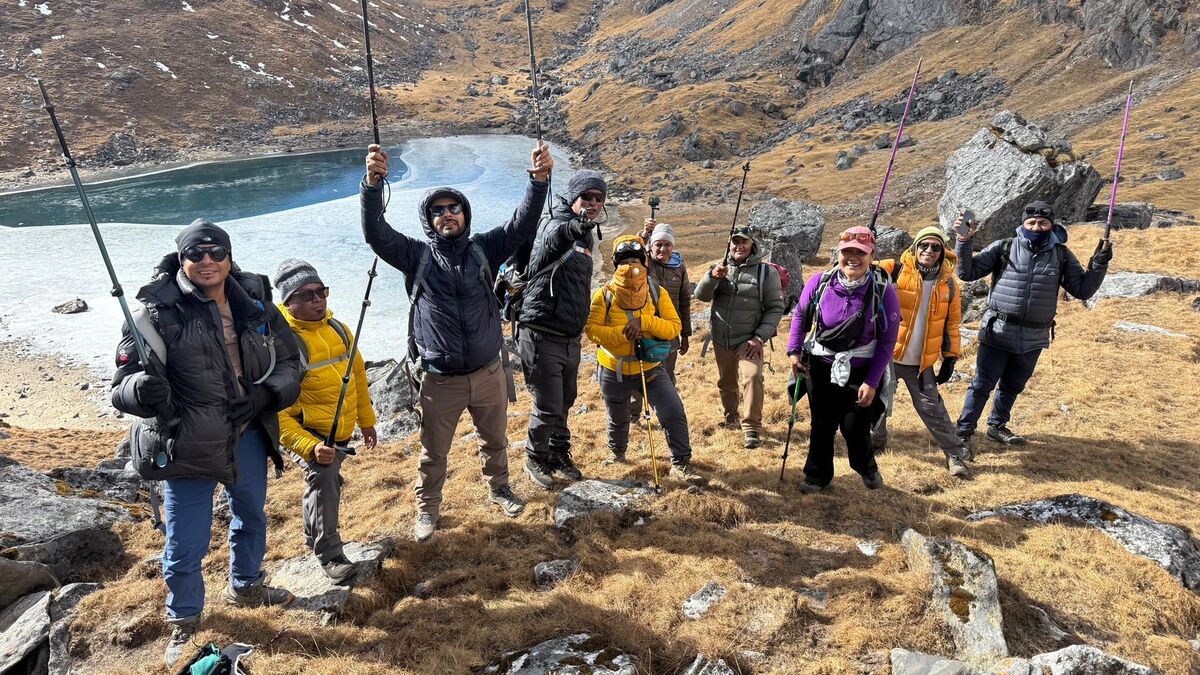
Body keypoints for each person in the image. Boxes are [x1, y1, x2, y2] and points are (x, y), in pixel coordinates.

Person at [110, 220, 302, 666]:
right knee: (185, 539)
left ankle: (247, 584)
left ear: (230, 258)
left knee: (252, 513)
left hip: (248, 430)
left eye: (216, 252)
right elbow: (120, 383)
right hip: (186, 441)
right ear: (183, 260)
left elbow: (292, 362)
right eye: (196, 253)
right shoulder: (155, 313)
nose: (207, 261)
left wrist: (267, 393)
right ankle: (185, 622)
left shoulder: (258, 306)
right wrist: (140, 390)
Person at [361, 142, 553, 542]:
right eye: (438, 210)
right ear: (429, 220)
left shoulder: (485, 249)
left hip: (488, 373)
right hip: (440, 381)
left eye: (453, 208)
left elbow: (522, 225)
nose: (447, 215)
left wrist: (537, 182)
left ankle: (500, 488)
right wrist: (373, 183)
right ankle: (427, 508)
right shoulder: (416, 256)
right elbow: (376, 234)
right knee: (433, 454)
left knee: (496, 440)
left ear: (464, 214)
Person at [954, 201, 1111, 446]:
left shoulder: (1061, 254)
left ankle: (997, 426)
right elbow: (966, 273)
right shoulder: (1004, 247)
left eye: (1043, 223)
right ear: (1023, 224)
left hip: (1034, 336)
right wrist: (964, 242)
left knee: (1013, 385)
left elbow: (1082, 290)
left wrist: (1098, 265)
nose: (1037, 227)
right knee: (982, 385)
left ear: (1051, 225)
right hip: (998, 331)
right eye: (1032, 222)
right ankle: (963, 432)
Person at [273, 259, 378, 584]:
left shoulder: (340, 330)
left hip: (341, 428)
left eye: (321, 292)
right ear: (288, 302)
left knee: (321, 485)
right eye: (307, 295)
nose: (318, 300)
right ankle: (330, 555)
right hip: (309, 433)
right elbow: (276, 414)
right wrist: (310, 446)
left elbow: (357, 376)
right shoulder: (282, 344)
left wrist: (366, 420)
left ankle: (313, 536)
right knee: (326, 482)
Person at [786, 226, 900, 493]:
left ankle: (865, 466)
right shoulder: (820, 282)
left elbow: (886, 342)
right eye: (847, 251)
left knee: (855, 425)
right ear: (837, 253)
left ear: (871, 255)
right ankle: (816, 476)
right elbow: (801, 315)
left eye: (860, 253)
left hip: (861, 370)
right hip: (820, 365)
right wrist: (793, 351)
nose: (853, 258)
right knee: (822, 424)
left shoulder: (883, 291)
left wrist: (872, 382)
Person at [517, 170, 605, 490]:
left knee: (566, 399)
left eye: (599, 198)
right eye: (587, 197)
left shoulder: (587, 233)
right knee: (548, 402)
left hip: (569, 335)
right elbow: (555, 237)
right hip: (541, 331)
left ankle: (557, 453)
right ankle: (534, 457)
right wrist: (574, 226)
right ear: (573, 198)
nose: (593, 203)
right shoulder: (555, 223)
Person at [585, 235, 700, 480]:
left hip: (650, 368)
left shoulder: (656, 292)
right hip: (612, 370)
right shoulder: (604, 294)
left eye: (636, 260)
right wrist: (623, 333)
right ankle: (617, 453)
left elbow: (673, 327)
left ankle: (681, 463)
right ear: (616, 263)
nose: (630, 266)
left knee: (672, 411)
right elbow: (592, 330)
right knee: (617, 417)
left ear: (644, 262)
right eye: (624, 261)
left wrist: (645, 322)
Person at [872, 227, 970, 478]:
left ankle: (955, 454)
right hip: (887, 357)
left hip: (921, 362)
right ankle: (875, 442)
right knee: (877, 403)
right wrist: (868, 243)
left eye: (935, 247)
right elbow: (864, 268)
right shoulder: (894, 269)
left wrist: (950, 357)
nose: (928, 251)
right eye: (923, 246)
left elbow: (951, 323)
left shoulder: (949, 284)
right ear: (914, 248)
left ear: (942, 251)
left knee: (933, 409)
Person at [693, 225, 786, 449]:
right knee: (726, 382)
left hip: (749, 341)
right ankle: (730, 416)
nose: (739, 246)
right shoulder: (719, 268)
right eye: (735, 242)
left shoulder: (766, 273)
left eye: (744, 242)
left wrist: (759, 337)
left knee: (753, 378)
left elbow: (775, 308)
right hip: (721, 338)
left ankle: (751, 428)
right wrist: (711, 277)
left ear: (752, 245)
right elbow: (701, 296)